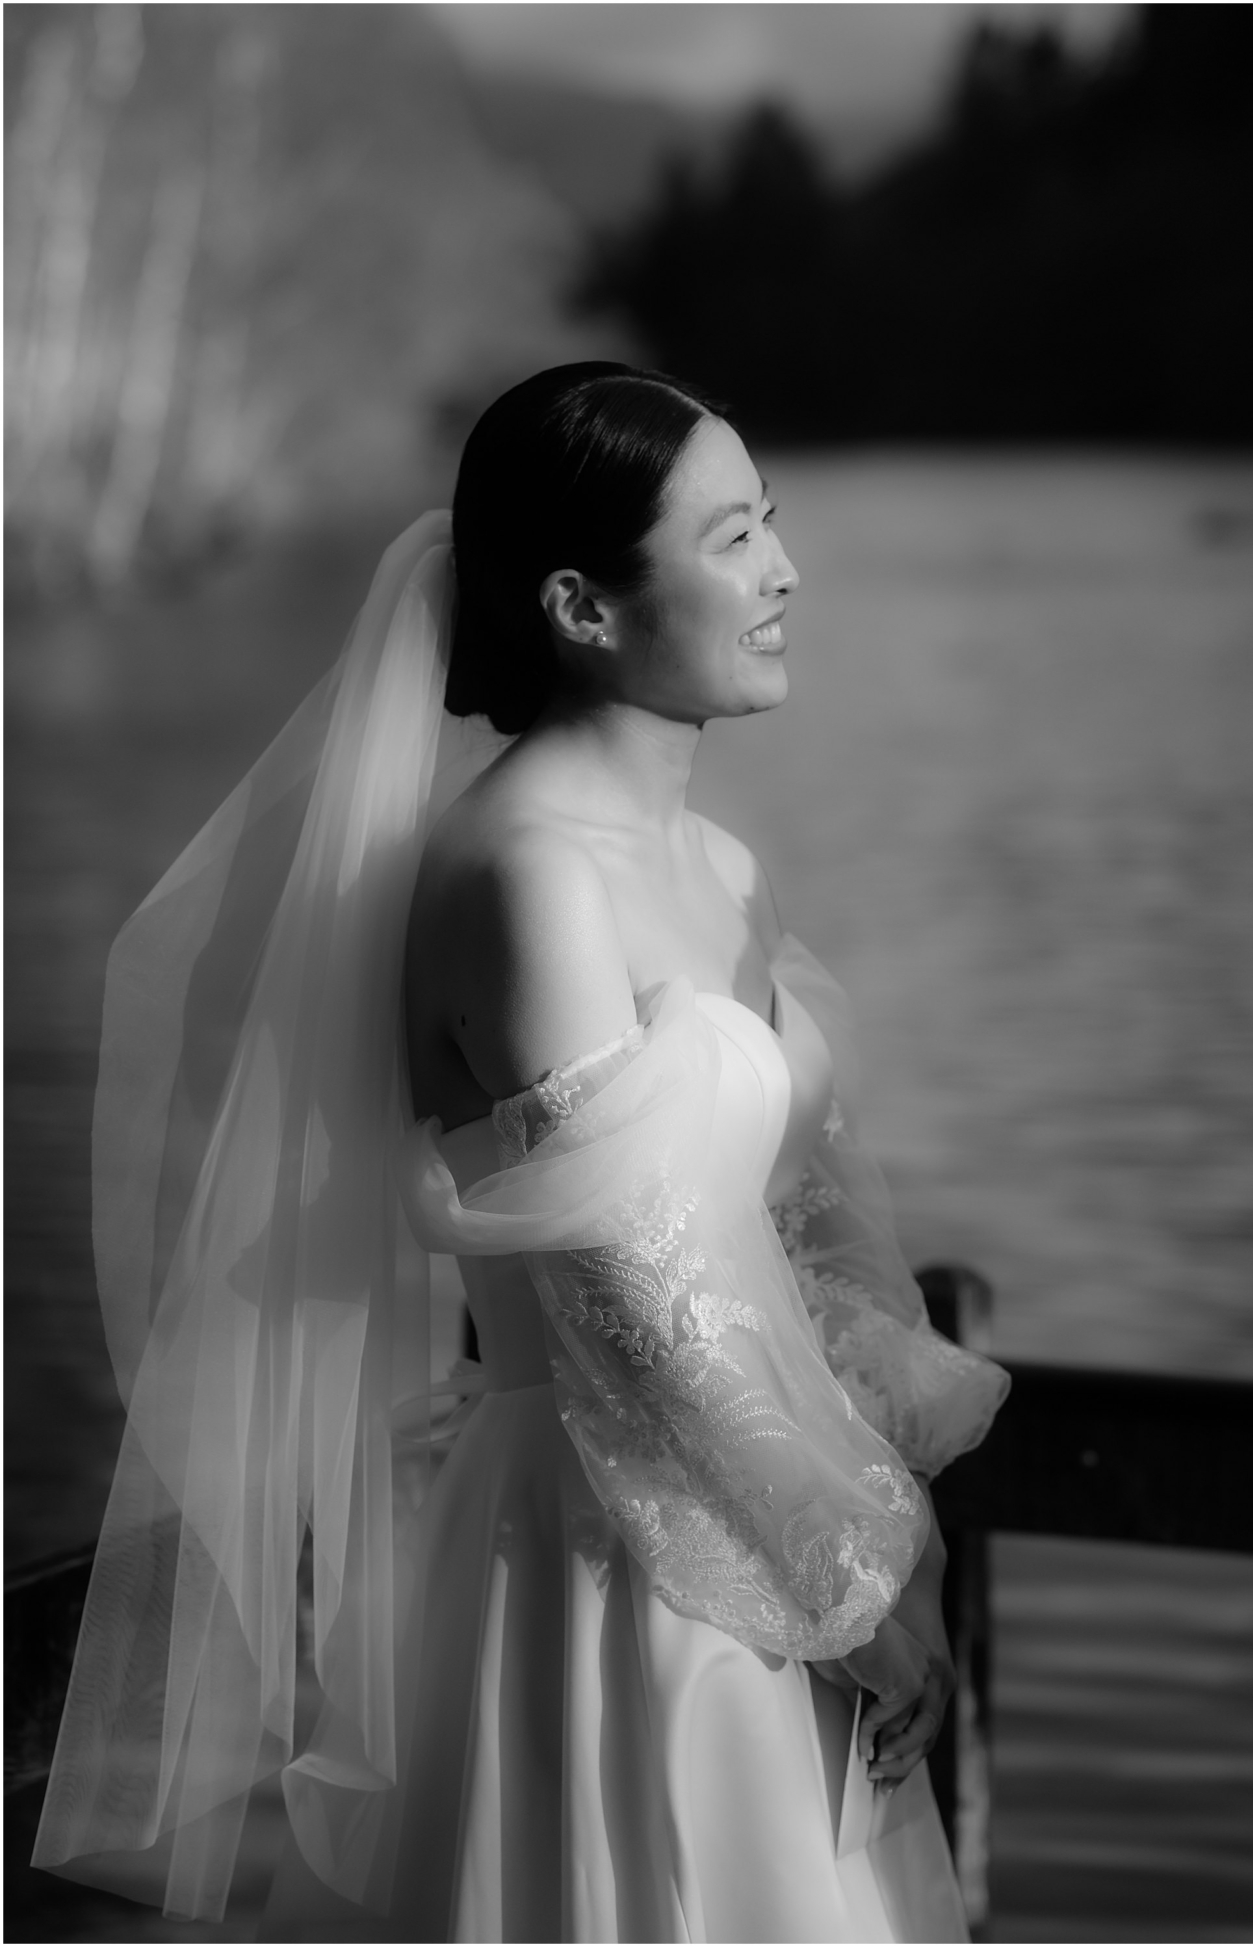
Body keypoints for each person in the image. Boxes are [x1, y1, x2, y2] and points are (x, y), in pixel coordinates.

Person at [33, 363, 1008, 1942]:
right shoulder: (524, 876)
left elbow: (786, 1225)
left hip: (771, 1525)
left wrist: (885, 1528)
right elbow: (643, 1296)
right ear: (581, 603)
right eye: (733, 535)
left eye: (775, 523)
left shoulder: (719, 863)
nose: (785, 573)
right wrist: (847, 1592)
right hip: (614, 1569)